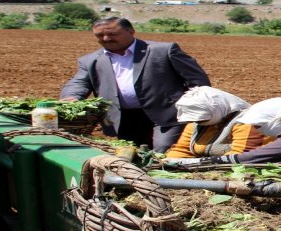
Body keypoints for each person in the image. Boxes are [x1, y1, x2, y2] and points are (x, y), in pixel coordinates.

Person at [60, 17, 211, 153]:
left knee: (163, 150)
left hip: (167, 113)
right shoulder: (90, 60)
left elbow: (197, 79)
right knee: (132, 152)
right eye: (100, 35)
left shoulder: (163, 50)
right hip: (124, 117)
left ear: (131, 31)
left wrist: (198, 106)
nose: (106, 38)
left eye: (113, 34)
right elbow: (79, 82)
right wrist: (71, 97)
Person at [164, 86, 269, 159]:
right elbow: (182, 149)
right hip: (206, 168)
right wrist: (168, 162)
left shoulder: (247, 122)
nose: (198, 122)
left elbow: (241, 156)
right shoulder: (196, 124)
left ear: (216, 110)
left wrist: (199, 166)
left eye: (202, 119)